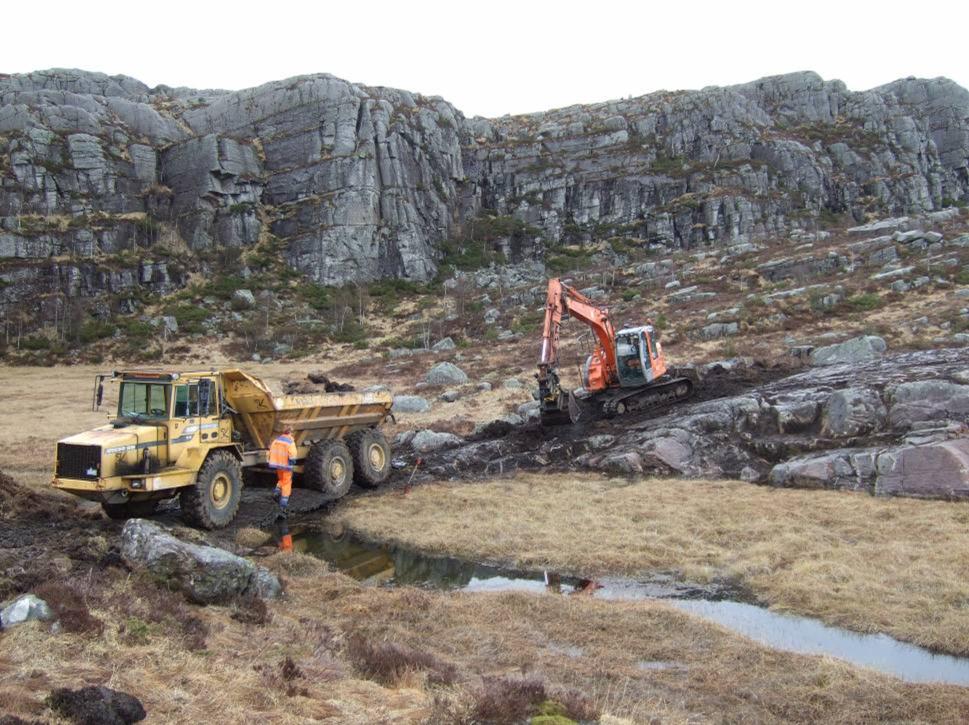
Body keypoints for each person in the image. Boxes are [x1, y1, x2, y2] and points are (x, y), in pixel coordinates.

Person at [269, 425, 297, 514]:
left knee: (281, 479)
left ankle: (277, 491)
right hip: (286, 465)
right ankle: (283, 503)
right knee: (287, 482)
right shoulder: (290, 442)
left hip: (278, 464)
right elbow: (293, 454)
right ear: (290, 432)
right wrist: (292, 462)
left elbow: (271, 450)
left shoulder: (277, 440)